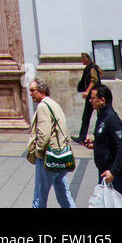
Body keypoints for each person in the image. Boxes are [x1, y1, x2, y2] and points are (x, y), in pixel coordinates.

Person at [27, 77, 76, 209]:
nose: (30, 93)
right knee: (64, 194)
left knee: (39, 197)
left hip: (48, 156)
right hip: (61, 155)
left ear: (41, 91)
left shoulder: (43, 106)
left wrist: (38, 152)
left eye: (32, 90)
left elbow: (44, 134)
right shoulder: (53, 104)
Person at [87, 85, 122, 199]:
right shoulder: (102, 116)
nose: (90, 100)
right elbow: (106, 140)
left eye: (93, 98)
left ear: (102, 100)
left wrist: (113, 172)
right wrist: (95, 144)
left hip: (115, 175)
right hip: (104, 173)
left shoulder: (111, 119)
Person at [73, 53, 101, 144]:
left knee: (98, 116)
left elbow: (94, 80)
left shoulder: (91, 68)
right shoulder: (89, 67)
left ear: (86, 59)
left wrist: (87, 91)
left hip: (94, 96)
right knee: (87, 116)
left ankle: (97, 136)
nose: (81, 61)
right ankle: (82, 137)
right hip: (93, 95)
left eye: (82, 59)